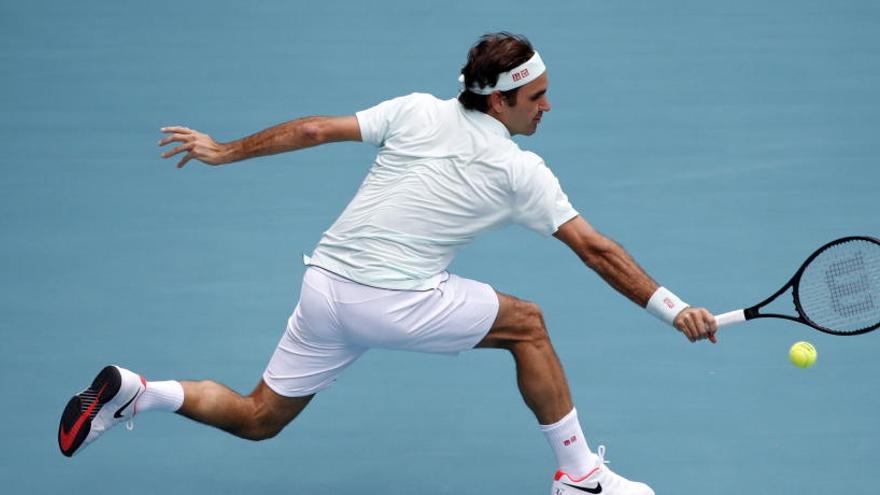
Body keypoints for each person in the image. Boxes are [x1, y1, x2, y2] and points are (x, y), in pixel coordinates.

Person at [58, 32, 717, 495]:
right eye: (536, 96)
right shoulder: (522, 172)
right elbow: (596, 249)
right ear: (499, 102)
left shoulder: (415, 110)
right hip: (392, 300)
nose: (548, 105)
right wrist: (673, 307)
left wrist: (225, 150)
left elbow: (315, 130)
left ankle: (141, 391)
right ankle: (580, 477)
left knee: (259, 416)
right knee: (529, 324)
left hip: (324, 288)